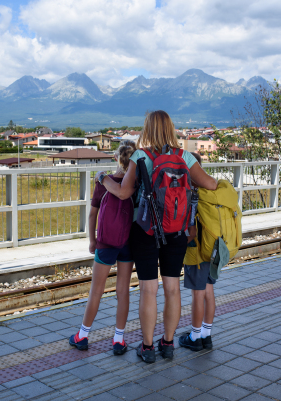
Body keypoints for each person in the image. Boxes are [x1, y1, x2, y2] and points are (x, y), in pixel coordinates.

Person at [95, 111, 217, 363]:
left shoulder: (140, 156)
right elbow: (211, 185)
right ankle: (168, 343)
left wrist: (104, 178)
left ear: (147, 129)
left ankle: (148, 347)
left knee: (148, 289)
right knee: (172, 288)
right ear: (171, 129)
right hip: (178, 230)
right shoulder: (184, 157)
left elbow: (122, 192)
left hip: (146, 229)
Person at [69, 140, 137, 355]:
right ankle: (118, 340)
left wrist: (92, 240)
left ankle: (83, 335)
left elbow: (92, 213)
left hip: (106, 242)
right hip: (128, 242)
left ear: (116, 158)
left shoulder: (103, 181)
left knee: (96, 291)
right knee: (123, 291)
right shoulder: (135, 184)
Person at [179, 152, 215, 352]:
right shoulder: (208, 190)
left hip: (197, 251)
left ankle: (194, 336)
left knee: (197, 294)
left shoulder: (191, 193)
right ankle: (206, 335)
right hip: (212, 248)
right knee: (208, 290)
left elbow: (189, 227)